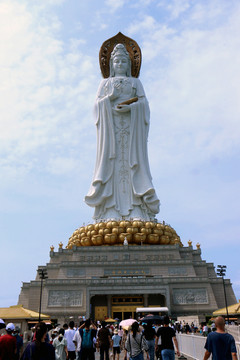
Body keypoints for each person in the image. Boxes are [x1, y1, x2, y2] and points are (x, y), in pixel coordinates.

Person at [85, 43, 160, 221]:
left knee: (131, 165)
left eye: (123, 61)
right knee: (113, 167)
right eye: (117, 60)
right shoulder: (104, 83)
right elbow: (96, 107)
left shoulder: (135, 83)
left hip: (132, 133)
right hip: (111, 135)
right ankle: (110, 209)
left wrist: (132, 108)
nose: (120, 64)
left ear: (129, 65)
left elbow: (145, 107)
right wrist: (108, 100)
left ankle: (136, 209)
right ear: (111, 64)